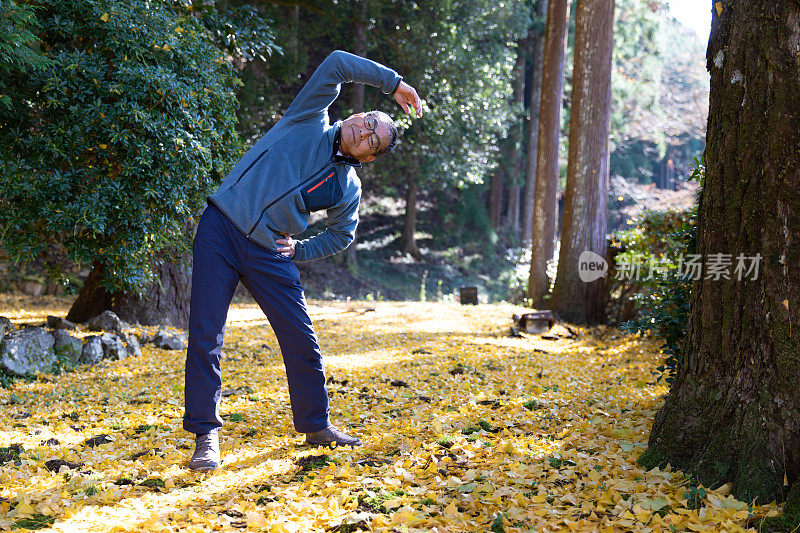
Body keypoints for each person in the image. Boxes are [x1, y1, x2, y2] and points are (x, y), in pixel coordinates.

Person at [183, 50, 423, 471]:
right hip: (220, 228)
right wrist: (394, 82)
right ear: (358, 113)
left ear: (369, 157)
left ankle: (315, 425)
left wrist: (301, 249)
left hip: (269, 252)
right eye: (367, 122)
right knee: (207, 335)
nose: (364, 133)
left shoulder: (347, 187)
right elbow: (336, 62)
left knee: (302, 339)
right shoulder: (308, 117)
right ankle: (207, 436)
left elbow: (342, 234)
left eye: (373, 140)